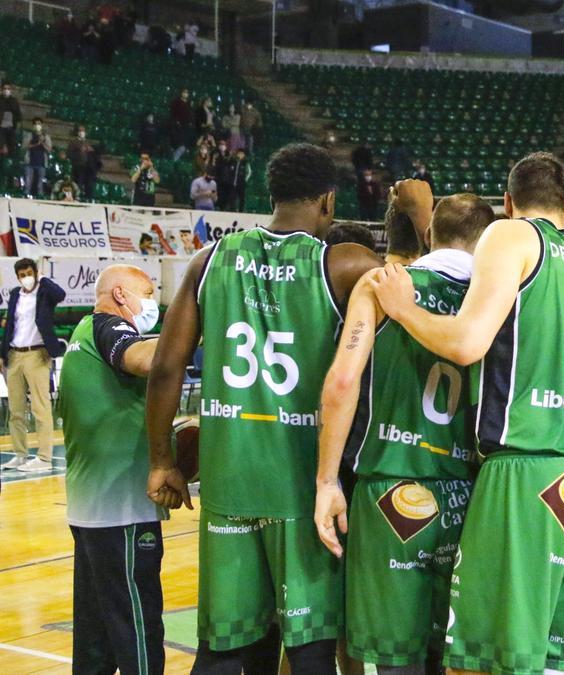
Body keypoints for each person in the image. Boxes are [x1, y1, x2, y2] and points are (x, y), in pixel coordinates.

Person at [367, 154, 564, 674]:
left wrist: (403, 310)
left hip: (527, 471)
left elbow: (466, 343)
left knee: (489, 660)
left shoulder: (510, 236)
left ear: (508, 204)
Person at [144, 143, 380, 673]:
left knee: (225, 649)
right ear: (328, 201)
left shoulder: (210, 261)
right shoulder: (343, 264)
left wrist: (162, 460)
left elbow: (165, 368)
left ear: (271, 195)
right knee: (310, 649)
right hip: (302, 489)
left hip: (228, 488)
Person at [315, 191, 492, 672]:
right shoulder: (498, 299)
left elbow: (343, 381)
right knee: (449, 654)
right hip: (469, 494)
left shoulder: (382, 284)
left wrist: (326, 481)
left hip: (390, 489)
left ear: (431, 234)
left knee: (396, 658)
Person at [60, 265, 166, 675]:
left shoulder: (81, 334)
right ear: (121, 294)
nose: (152, 301)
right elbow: (141, 359)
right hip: (120, 509)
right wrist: (190, 332)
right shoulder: (107, 327)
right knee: (136, 630)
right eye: (148, 291)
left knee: (95, 639)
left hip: (90, 509)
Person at [0, 259, 66, 472]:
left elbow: (61, 295)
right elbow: (10, 324)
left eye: (29, 273)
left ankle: (44, 458)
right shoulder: (15, 295)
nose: (25, 277)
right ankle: (20, 455)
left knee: (40, 406)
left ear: (36, 273)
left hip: (37, 353)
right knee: (16, 409)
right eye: (22, 274)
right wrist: (3, 355)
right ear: (17, 277)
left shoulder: (46, 292)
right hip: (14, 354)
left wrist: (43, 279)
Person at [67, 125, 100, 200]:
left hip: (88, 167)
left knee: (89, 184)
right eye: (80, 131)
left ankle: (88, 198)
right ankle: (77, 198)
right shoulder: (73, 142)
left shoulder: (87, 142)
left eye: (83, 131)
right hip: (78, 167)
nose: (82, 132)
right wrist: (79, 153)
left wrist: (91, 150)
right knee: (78, 183)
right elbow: (69, 154)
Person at [24, 118, 52, 198]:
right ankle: (26, 195)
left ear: (42, 125)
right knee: (28, 182)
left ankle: (39, 196)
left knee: (40, 183)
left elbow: (49, 150)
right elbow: (25, 147)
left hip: (42, 162)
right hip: (30, 162)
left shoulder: (46, 136)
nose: (37, 125)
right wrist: (37, 143)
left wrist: (43, 143)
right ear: (33, 125)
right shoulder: (29, 135)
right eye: (36, 124)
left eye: (39, 124)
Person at [169, 89, 192, 159]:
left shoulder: (189, 103)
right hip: (176, 125)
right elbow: (173, 113)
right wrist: (176, 121)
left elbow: (189, 115)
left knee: (183, 145)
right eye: (184, 92)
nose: (185, 94)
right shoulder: (176, 102)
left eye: (187, 93)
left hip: (185, 126)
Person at [0, 83, 22, 156]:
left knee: (11, 147)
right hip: (1, 127)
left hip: (11, 127)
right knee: (3, 146)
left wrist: (17, 124)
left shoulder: (14, 101)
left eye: (8, 89)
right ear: (2, 90)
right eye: (5, 88)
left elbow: (18, 114)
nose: (6, 90)